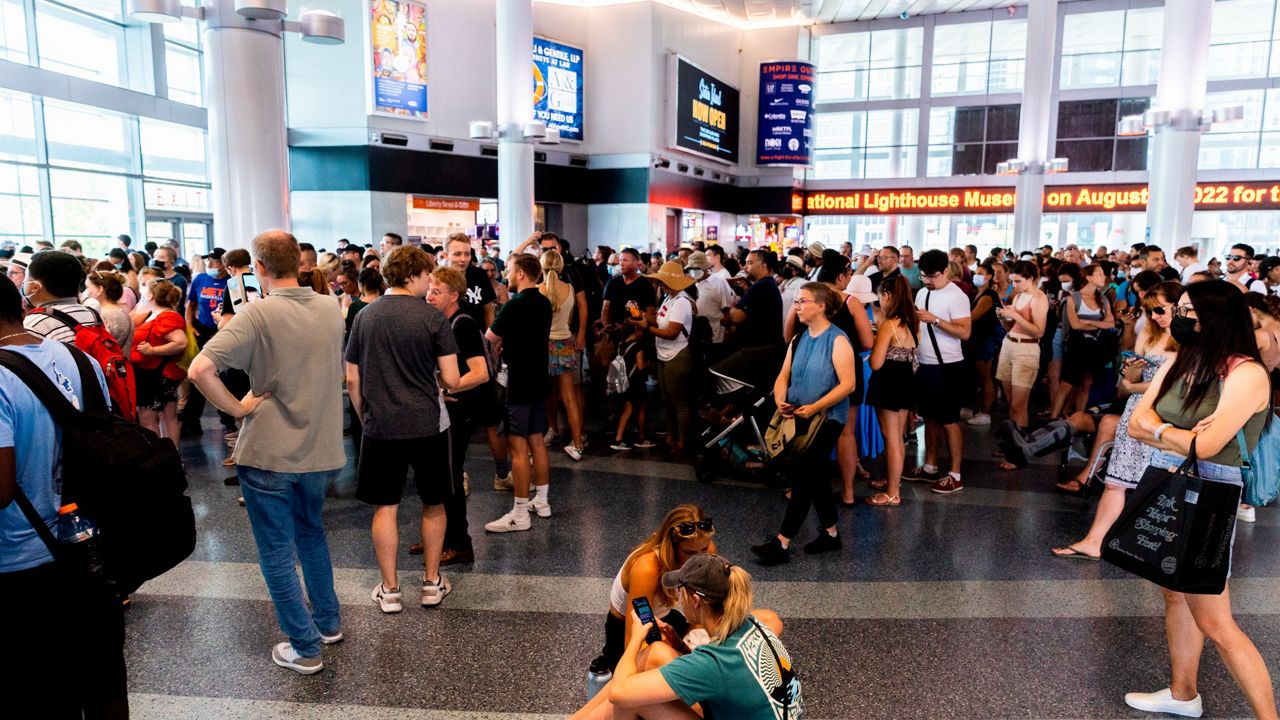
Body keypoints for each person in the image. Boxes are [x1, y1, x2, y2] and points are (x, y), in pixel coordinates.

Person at [188, 230, 347, 675]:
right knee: (311, 532)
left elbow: (200, 368)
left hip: (268, 450)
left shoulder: (255, 314)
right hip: (321, 447)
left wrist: (238, 408)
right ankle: (328, 623)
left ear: (257, 267)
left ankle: (304, 646)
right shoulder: (331, 307)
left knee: (276, 549)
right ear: (300, 261)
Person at [1124, 280, 1276, 720]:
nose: (1178, 318)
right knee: (1174, 593)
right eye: (1180, 309)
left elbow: (1208, 449)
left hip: (1211, 488)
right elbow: (1137, 421)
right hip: (1168, 477)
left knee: (1216, 621)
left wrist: (1168, 434)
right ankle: (1183, 693)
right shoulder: (1181, 359)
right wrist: (1178, 437)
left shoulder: (1246, 374)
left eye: (1188, 311)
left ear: (1217, 318)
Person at [0, 275, 126, 720]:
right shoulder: (77, 356)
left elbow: (1, 488)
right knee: (103, 672)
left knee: (39, 683)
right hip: (90, 541)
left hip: (21, 556)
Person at [346, 245, 461, 612]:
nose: (430, 281)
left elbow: (352, 377)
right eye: (427, 274)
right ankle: (431, 583)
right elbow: (453, 378)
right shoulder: (432, 318)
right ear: (411, 275)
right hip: (427, 423)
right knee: (433, 502)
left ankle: (391, 589)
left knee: (386, 506)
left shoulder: (366, 315)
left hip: (381, 426)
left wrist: (366, 415)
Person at [574, 554, 802, 720]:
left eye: (681, 592)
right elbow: (722, 678)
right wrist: (679, 645)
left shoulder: (714, 663)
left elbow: (618, 693)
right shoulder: (752, 625)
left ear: (695, 600)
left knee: (629, 702)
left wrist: (636, 637)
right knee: (657, 652)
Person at [1046, 281, 1179, 554]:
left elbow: (1175, 386)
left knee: (1158, 482)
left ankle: (1151, 546)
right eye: (1150, 311)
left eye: (1160, 309)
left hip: (1165, 413)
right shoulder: (1149, 335)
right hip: (1138, 411)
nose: (1155, 316)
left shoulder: (1188, 340)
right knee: (1116, 480)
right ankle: (1094, 541)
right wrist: (1131, 371)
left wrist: (1134, 385)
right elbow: (1126, 383)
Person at [752, 282, 855, 565]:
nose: (796, 306)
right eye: (796, 301)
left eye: (802, 301)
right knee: (815, 474)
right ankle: (831, 534)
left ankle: (782, 542)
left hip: (827, 418)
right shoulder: (799, 339)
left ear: (821, 306)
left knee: (805, 474)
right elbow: (783, 375)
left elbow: (848, 384)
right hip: (798, 414)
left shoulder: (838, 340)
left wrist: (815, 407)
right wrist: (782, 400)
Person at [588, 504, 720, 675]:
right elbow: (634, 643)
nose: (699, 559)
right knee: (657, 670)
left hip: (665, 617)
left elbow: (708, 609)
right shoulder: (646, 567)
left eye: (703, 549)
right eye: (689, 552)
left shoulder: (708, 551)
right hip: (628, 626)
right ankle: (609, 658)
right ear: (671, 547)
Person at [424, 266, 494, 564]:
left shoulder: (462, 324)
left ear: (454, 295)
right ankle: (438, 537)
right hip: (446, 411)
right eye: (429, 289)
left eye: (436, 292)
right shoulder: (443, 321)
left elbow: (481, 372)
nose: (429, 296)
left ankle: (461, 544)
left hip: (457, 412)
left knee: (451, 477)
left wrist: (446, 389)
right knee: (439, 475)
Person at [485, 253, 553, 533]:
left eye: (511, 270)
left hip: (518, 381)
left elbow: (489, 337)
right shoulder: (544, 302)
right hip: (539, 378)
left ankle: (520, 512)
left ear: (522, 273)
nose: (508, 275)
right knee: (537, 440)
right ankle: (543, 501)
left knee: (518, 447)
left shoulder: (514, 305)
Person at [904, 249, 972, 494]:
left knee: (949, 420)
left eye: (933, 276)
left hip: (949, 366)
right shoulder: (922, 292)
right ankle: (930, 466)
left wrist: (935, 320)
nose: (928, 281)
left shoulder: (957, 296)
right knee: (930, 417)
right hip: (925, 364)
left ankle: (955, 474)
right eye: (924, 276)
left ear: (946, 271)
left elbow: (965, 332)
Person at [866, 273, 918, 507]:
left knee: (892, 438)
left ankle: (892, 492)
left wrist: (877, 340)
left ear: (887, 295)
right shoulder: (913, 321)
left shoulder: (888, 324)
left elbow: (876, 363)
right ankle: (892, 480)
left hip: (889, 381)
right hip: (907, 379)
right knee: (898, 436)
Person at [993, 261, 1049, 470]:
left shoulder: (1038, 298)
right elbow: (1012, 326)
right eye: (1013, 281)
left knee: (1019, 404)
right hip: (1010, 344)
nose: (1014, 285)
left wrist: (1016, 315)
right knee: (1010, 401)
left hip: (1027, 349)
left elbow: (1038, 331)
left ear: (1031, 279)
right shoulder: (1018, 296)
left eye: (1018, 281)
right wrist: (1004, 318)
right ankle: (1011, 442)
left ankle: (1019, 451)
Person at [641, 261, 697, 459]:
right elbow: (659, 320)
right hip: (663, 354)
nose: (661, 285)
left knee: (679, 402)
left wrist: (646, 328)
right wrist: (642, 317)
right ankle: (671, 436)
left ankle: (682, 441)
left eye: (664, 282)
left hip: (677, 355)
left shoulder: (682, 301)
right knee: (667, 400)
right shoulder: (668, 298)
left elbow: (672, 332)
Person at [538, 249, 587, 461]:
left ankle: (550, 431)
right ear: (560, 266)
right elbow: (571, 317)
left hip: (544, 345)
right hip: (566, 343)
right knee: (569, 398)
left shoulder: (538, 290)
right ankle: (577, 444)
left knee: (546, 394)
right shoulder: (569, 288)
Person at [1049, 263, 1114, 419]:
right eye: (1099, 273)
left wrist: (1089, 323)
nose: (1103, 276)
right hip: (1077, 348)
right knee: (1067, 384)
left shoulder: (1103, 299)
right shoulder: (1073, 298)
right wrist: (1098, 324)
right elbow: (1075, 325)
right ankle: (1052, 418)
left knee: (1086, 385)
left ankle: (1077, 418)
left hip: (1095, 348)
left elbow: (1111, 323)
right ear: (1088, 277)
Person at [181, 249, 234, 437]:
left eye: (215, 261)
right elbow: (192, 305)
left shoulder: (232, 283)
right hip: (203, 331)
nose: (211, 265)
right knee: (199, 376)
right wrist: (190, 325)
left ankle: (228, 420)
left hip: (224, 332)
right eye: (209, 261)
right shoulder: (200, 280)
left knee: (223, 379)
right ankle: (191, 421)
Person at [131, 279, 187, 445]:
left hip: (158, 375)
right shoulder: (155, 314)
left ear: (150, 295)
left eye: (143, 288)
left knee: (149, 416)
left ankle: (160, 457)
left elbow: (180, 342)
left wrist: (153, 351)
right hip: (157, 373)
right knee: (166, 416)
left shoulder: (166, 316)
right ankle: (168, 458)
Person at [725, 249, 783, 350]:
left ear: (763, 265)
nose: (745, 267)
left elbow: (737, 317)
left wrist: (730, 309)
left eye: (750, 263)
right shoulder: (765, 284)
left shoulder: (762, 286)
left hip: (757, 350)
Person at [964, 263, 1000, 426]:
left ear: (989, 277)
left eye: (981, 273)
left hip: (984, 341)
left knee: (985, 376)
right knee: (975, 376)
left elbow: (973, 316)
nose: (976, 276)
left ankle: (985, 412)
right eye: (976, 273)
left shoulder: (988, 295)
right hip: (974, 341)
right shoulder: (976, 294)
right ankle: (971, 406)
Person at [609, 319, 653, 451]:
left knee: (626, 410)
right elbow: (640, 366)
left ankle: (619, 437)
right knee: (640, 408)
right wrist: (649, 363)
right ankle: (640, 438)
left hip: (624, 382)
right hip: (635, 383)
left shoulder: (622, 345)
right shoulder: (637, 346)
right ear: (636, 330)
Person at [446, 233, 497, 328]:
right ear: (446, 255)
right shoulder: (438, 278)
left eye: (467, 254)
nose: (463, 259)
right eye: (457, 254)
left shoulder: (479, 274)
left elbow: (489, 310)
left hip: (477, 337)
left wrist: (488, 341)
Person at [84, 269, 134, 352]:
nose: (86, 291)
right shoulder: (116, 310)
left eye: (88, 287)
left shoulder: (107, 314)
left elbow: (103, 346)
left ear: (100, 289)